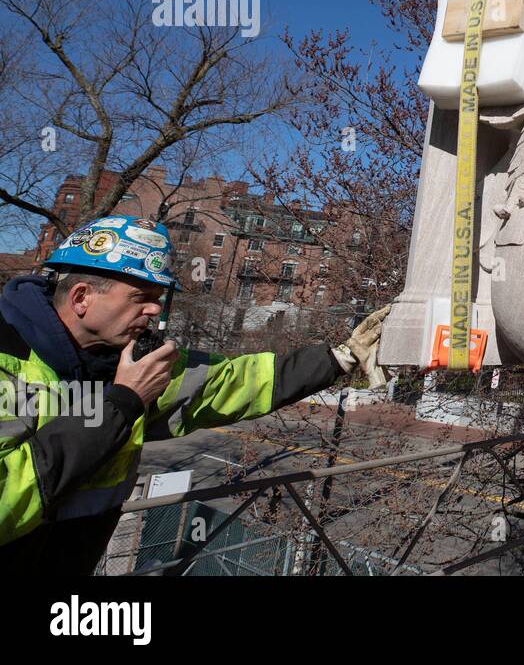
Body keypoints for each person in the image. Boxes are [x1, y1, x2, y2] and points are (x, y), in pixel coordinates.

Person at [0, 215, 389, 574]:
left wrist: (341, 357)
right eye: (141, 296)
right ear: (81, 297)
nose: (155, 309)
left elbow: (234, 382)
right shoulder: (9, 359)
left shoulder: (132, 361)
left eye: (159, 296)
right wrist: (122, 401)